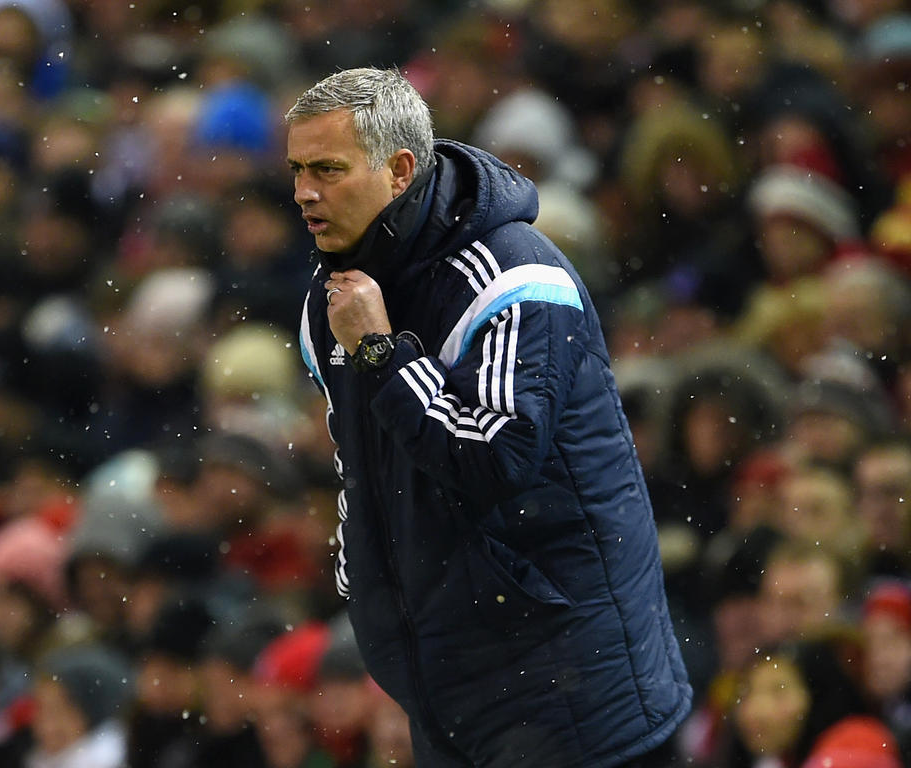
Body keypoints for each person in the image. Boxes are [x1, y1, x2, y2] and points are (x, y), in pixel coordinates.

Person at [288, 67, 691, 768]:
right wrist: (366, 585)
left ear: (400, 170)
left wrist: (384, 356)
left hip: (575, 692)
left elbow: (495, 457)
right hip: (453, 688)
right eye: (296, 169)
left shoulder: (515, 277)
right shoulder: (332, 301)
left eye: (328, 168)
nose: (304, 192)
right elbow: (362, 473)